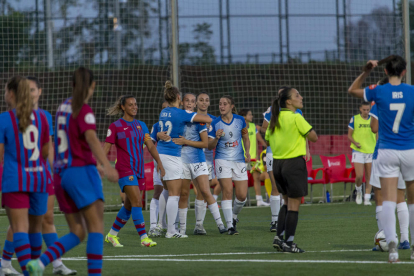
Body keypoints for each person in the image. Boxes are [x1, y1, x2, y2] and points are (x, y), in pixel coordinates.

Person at [27, 67, 119, 275]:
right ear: (93, 86)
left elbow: (71, 143)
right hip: (80, 173)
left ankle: (40, 262)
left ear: (72, 84)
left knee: (78, 232)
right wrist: (106, 165)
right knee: (96, 228)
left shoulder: (62, 108)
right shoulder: (83, 109)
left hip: (61, 175)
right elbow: (91, 139)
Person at [348, 56, 414, 262]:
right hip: (410, 150)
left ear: (385, 72)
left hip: (386, 151)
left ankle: (392, 248)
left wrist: (367, 70)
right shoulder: (412, 91)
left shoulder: (379, 91)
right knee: (410, 201)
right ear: (404, 72)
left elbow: (352, 90)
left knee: (386, 199)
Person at [0, 76, 50, 276]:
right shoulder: (43, 117)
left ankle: (27, 273)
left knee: (19, 228)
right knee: (35, 229)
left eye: (5, 91)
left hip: (14, 179)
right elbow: (46, 152)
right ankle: (34, 270)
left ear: (12, 94)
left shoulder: (4, 119)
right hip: (39, 178)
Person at [103, 95, 164, 247]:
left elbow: (150, 146)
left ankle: (111, 235)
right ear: (123, 107)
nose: (134, 107)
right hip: (124, 169)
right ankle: (144, 238)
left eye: (135, 104)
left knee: (129, 206)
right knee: (137, 201)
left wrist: (160, 162)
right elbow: (106, 149)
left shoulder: (141, 125)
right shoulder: (115, 126)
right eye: (130, 105)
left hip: (138, 169)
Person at [156, 81, 212, 238]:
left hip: (160, 153)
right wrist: (206, 121)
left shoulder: (164, 111)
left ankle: (161, 224)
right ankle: (171, 231)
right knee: (175, 194)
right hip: (171, 155)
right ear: (179, 98)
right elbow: (206, 119)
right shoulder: (181, 113)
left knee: (166, 190)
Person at [267, 87, 318, 253]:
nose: (301, 97)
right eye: (297, 95)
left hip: (277, 165)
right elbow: (314, 137)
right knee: (294, 205)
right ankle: (289, 243)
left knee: (286, 202)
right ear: (288, 101)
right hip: (294, 164)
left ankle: (279, 238)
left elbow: (267, 139)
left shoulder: (275, 118)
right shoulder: (296, 117)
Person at [172, 93, 226, 235]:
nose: (190, 103)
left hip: (200, 160)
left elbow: (206, 144)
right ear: (182, 102)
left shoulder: (202, 121)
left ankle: (218, 225)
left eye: (192, 102)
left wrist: (186, 142)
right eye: (187, 101)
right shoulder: (179, 119)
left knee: (205, 191)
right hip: (182, 161)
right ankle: (181, 229)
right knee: (183, 194)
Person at [261, 87, 306, 232]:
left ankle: (284, 225)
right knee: (275, 187)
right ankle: (275, 221)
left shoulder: (297, 112)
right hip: (274, 153)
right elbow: (264, 128)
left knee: (288, 193)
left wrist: (307, 150)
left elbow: (304, 131)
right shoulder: (272, 110)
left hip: (291, 155)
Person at [370, 94, 410, 251]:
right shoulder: (408, 100)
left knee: (380, 198)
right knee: (401, 197)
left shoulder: (380, 102)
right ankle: (405, 239)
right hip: (405, 152)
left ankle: (387, 237)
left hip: (384, 152)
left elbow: (374, 128)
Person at [208, 95, 250, 235]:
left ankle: (234, 216)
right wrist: (217, 137)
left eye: (225, 104)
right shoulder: (215, 123)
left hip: (238, 160)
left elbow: (245, 136)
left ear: (231, 106)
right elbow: (209, 146)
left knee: (242, 195)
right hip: (222, 160)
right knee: (227, 192)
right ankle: (230, 226)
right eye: (220, 104)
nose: (222, 106)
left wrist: (247, 152)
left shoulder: (240, 120)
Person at [348, 102, 376, 205]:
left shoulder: (373, 120)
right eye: (364, 110)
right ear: (360, 109)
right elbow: (349, 135)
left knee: (369, 176)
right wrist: (355, 143)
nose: (366, 112)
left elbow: (376, 133)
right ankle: (359, 191)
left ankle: (367, 198)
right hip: (358, 150)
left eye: (367, 110)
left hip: (370, 151)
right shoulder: (354, 119)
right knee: (359, 175)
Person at [148, 101, 169, 237]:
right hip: (160, 161)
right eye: (163, 109)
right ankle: (153, 226)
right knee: (158, 192)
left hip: (177, 162)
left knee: (175, 194)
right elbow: (150, 144)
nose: (166, 111)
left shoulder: (181, 123)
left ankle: (169, 225)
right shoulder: (156, 126)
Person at [239, 109, 268, 207]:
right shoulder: (239, 128)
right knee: (241, 179)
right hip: (242, 159)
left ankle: (259, 200)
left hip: (253, 159)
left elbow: (257, 140)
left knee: (256, 176)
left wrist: (265, 147)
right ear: (244, 117)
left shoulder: (253, 126)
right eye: (250, 115)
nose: (252, 116)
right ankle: (240, 200)